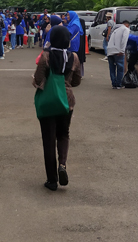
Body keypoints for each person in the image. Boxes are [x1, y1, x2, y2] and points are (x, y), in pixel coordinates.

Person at [32, 25, 82, 191]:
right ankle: (62, 164)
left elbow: (38, 80)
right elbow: (77, 81)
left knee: (48, 140)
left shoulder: (46, 56)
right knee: (63, 134)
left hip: (48, 102)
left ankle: (52, 180)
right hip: (67, 101)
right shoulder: (74, 57)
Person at [106, 20, 130, 89]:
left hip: (110, 50)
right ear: (127, 25)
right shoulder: (125, 29)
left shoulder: (115, 30)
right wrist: (122, 51)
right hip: (118, 51)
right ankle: (119, 84)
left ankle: (114, 84)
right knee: (120, 68)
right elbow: (124, 40)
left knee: (112, 68)